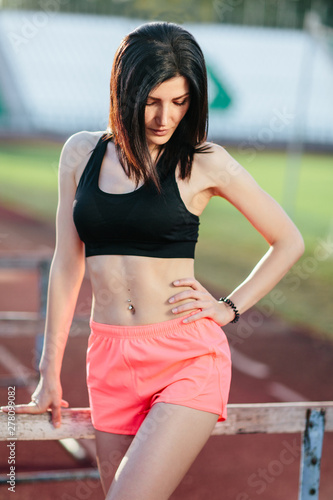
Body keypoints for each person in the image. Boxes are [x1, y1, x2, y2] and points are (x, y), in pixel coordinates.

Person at [1, 21, 304, 500]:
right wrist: (48, 373)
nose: (166, 117)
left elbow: (288, 240)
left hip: (186, 356)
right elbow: (67, 264)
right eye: (153, 101)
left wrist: (229, 307)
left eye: (180, 102)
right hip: (108, 359)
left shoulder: (205, 161)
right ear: (125, 92)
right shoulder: (80, 154)